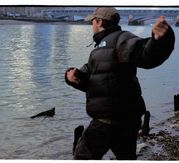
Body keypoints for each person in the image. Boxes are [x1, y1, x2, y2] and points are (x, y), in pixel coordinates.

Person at [65, 7, 175, 160]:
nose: (92, 25)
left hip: (107, 122)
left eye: (93, 21)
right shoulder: (98, 49)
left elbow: (146, 56)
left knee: (82, 156)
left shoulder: (122, 39)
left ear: (99, 21)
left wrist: (159, 40)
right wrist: (72, 76)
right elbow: (92, 80)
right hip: (126, 122)